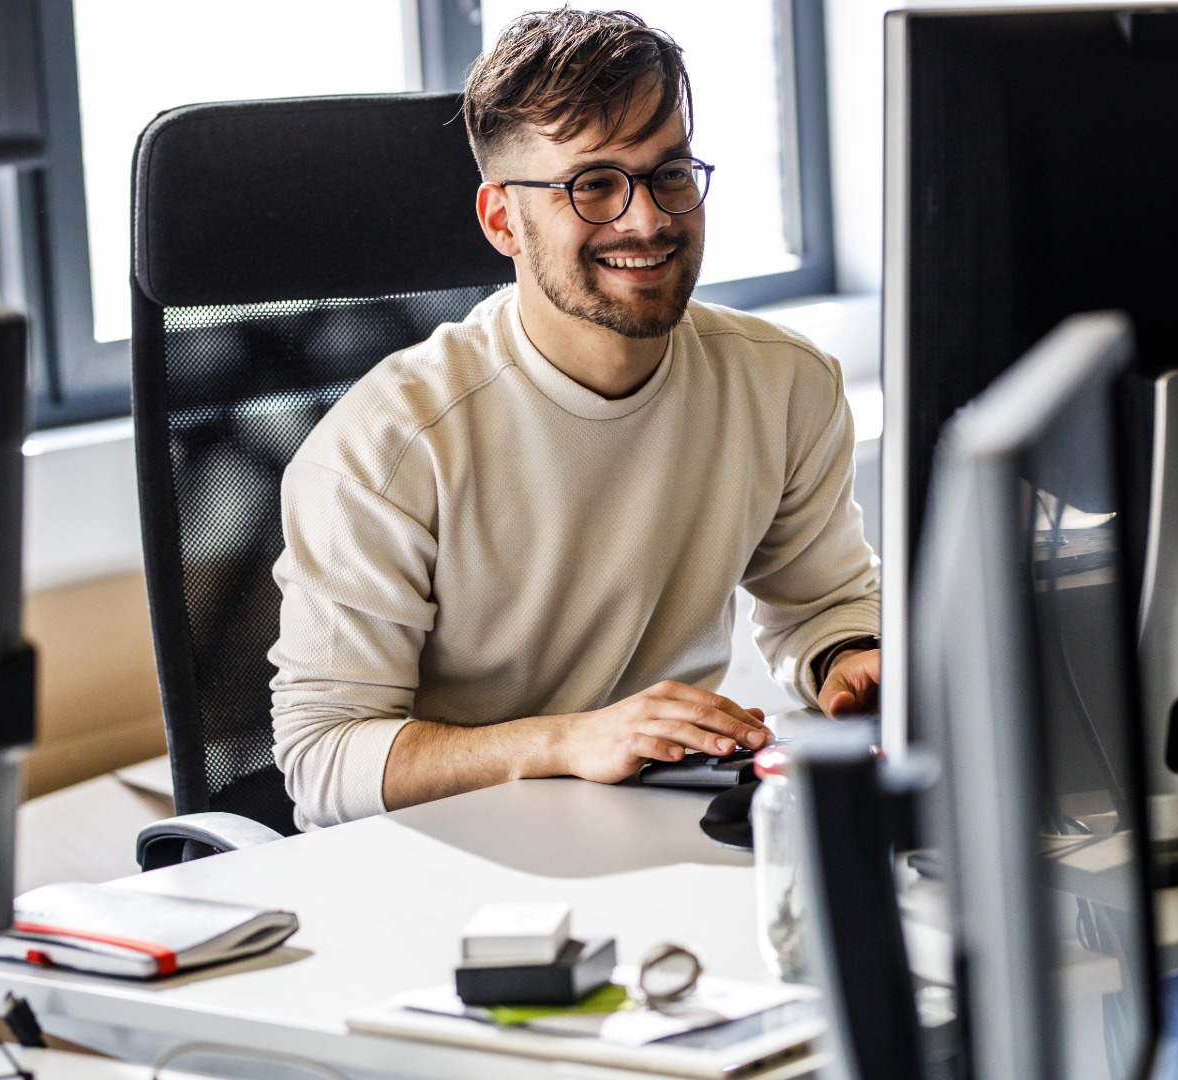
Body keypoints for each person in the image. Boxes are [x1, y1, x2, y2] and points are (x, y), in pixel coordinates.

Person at [268, 8, 880, 826]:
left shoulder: (785, 385)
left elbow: (823, 603)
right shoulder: (387, 449)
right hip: (448, 856)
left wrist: (849, 659)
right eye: (593, 184)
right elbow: (323, 757)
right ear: (502, 221)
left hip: (664, 828)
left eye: (669, 173)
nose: (648, 220)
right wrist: (567, 742)